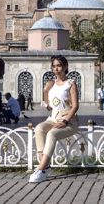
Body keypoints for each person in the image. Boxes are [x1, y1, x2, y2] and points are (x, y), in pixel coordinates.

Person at [29, 55, 80, 183]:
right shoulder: (51, 83)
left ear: (65, 67)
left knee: (52, 134)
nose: (56, 68)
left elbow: (75, 106)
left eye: (59, 66)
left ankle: (40, 170)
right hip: (53, 118)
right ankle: (45, 165)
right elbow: (48, 104)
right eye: (54, 66)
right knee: (39, 128)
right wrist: (46, 97)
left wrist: (65, 120)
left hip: (69, 121)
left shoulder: (71, 84)